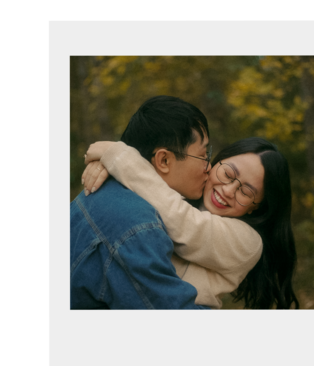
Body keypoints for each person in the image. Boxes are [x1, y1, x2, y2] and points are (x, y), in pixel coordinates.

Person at [83, 135, 299, 309]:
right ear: (216, 162)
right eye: (228, 173)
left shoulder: (249, 243)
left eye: (246, 192)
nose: (228, 190)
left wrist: (119, 157)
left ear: (256, 207)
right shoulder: (183, 193)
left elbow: (183, 222)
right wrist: (108, 168)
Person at [70, 95, 215, 309]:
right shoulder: (137, 226)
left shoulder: (106, 192)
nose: (208, 167)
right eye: (204, 155)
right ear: (164, 160)